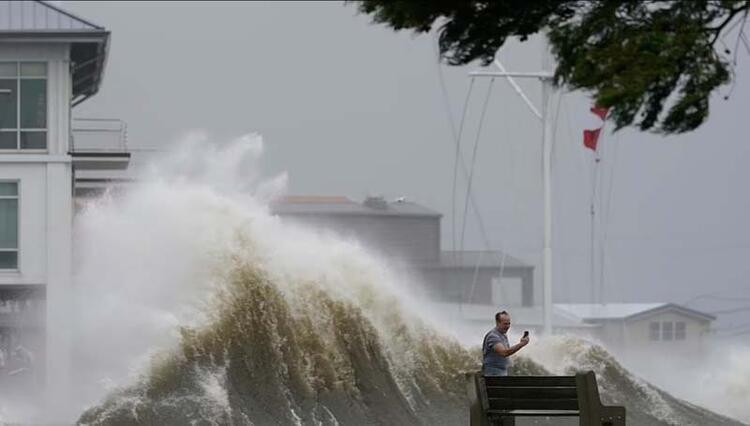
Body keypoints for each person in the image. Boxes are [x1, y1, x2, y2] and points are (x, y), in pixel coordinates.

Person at [482, 310, 529, 376]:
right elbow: (504, 352)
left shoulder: (503, 335)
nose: (507, 326)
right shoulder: (493, 336)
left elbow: (506, 353)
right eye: (505, 324)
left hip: (501, 371)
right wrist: (522, 344)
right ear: (498, 323)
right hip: (493, 372)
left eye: (509, 323)